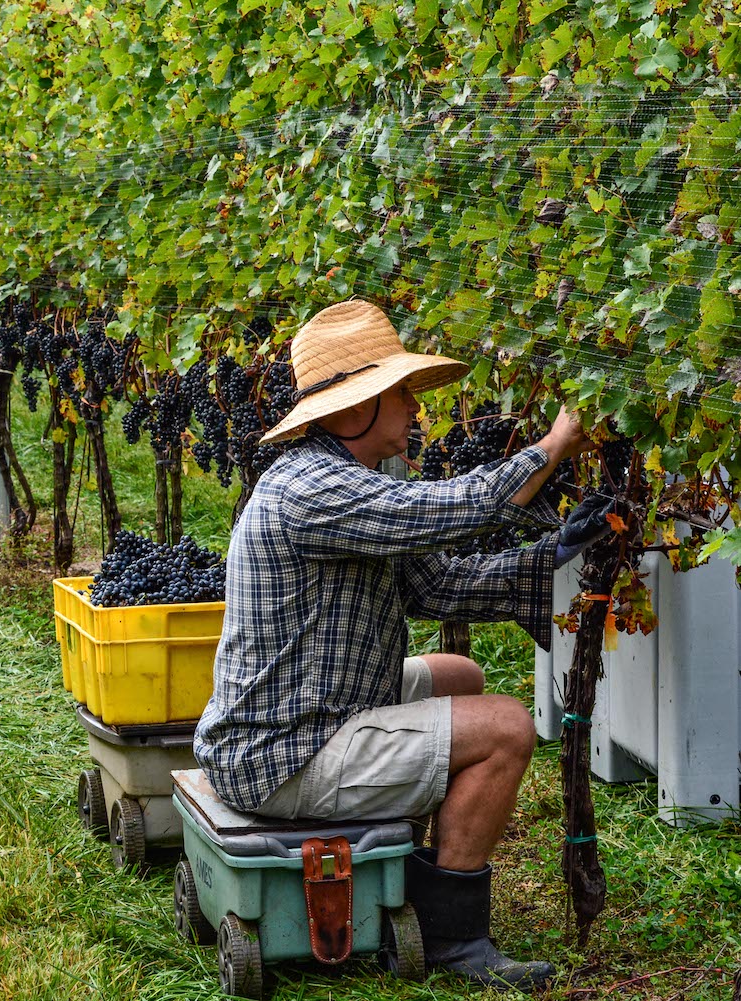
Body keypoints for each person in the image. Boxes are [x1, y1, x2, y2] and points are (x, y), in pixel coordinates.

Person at [192, 299, 604, 991]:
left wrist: (558, 549)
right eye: (403, 391)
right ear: (358, 407)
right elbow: (448, 510)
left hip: (309, 712)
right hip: (283, 753)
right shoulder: (311, 490)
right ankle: (452, 937)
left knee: (461, 674)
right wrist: (553, 445)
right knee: (506, 727)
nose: (417, 406)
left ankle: (413, 865)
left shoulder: (350, 481)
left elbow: (440, 586)